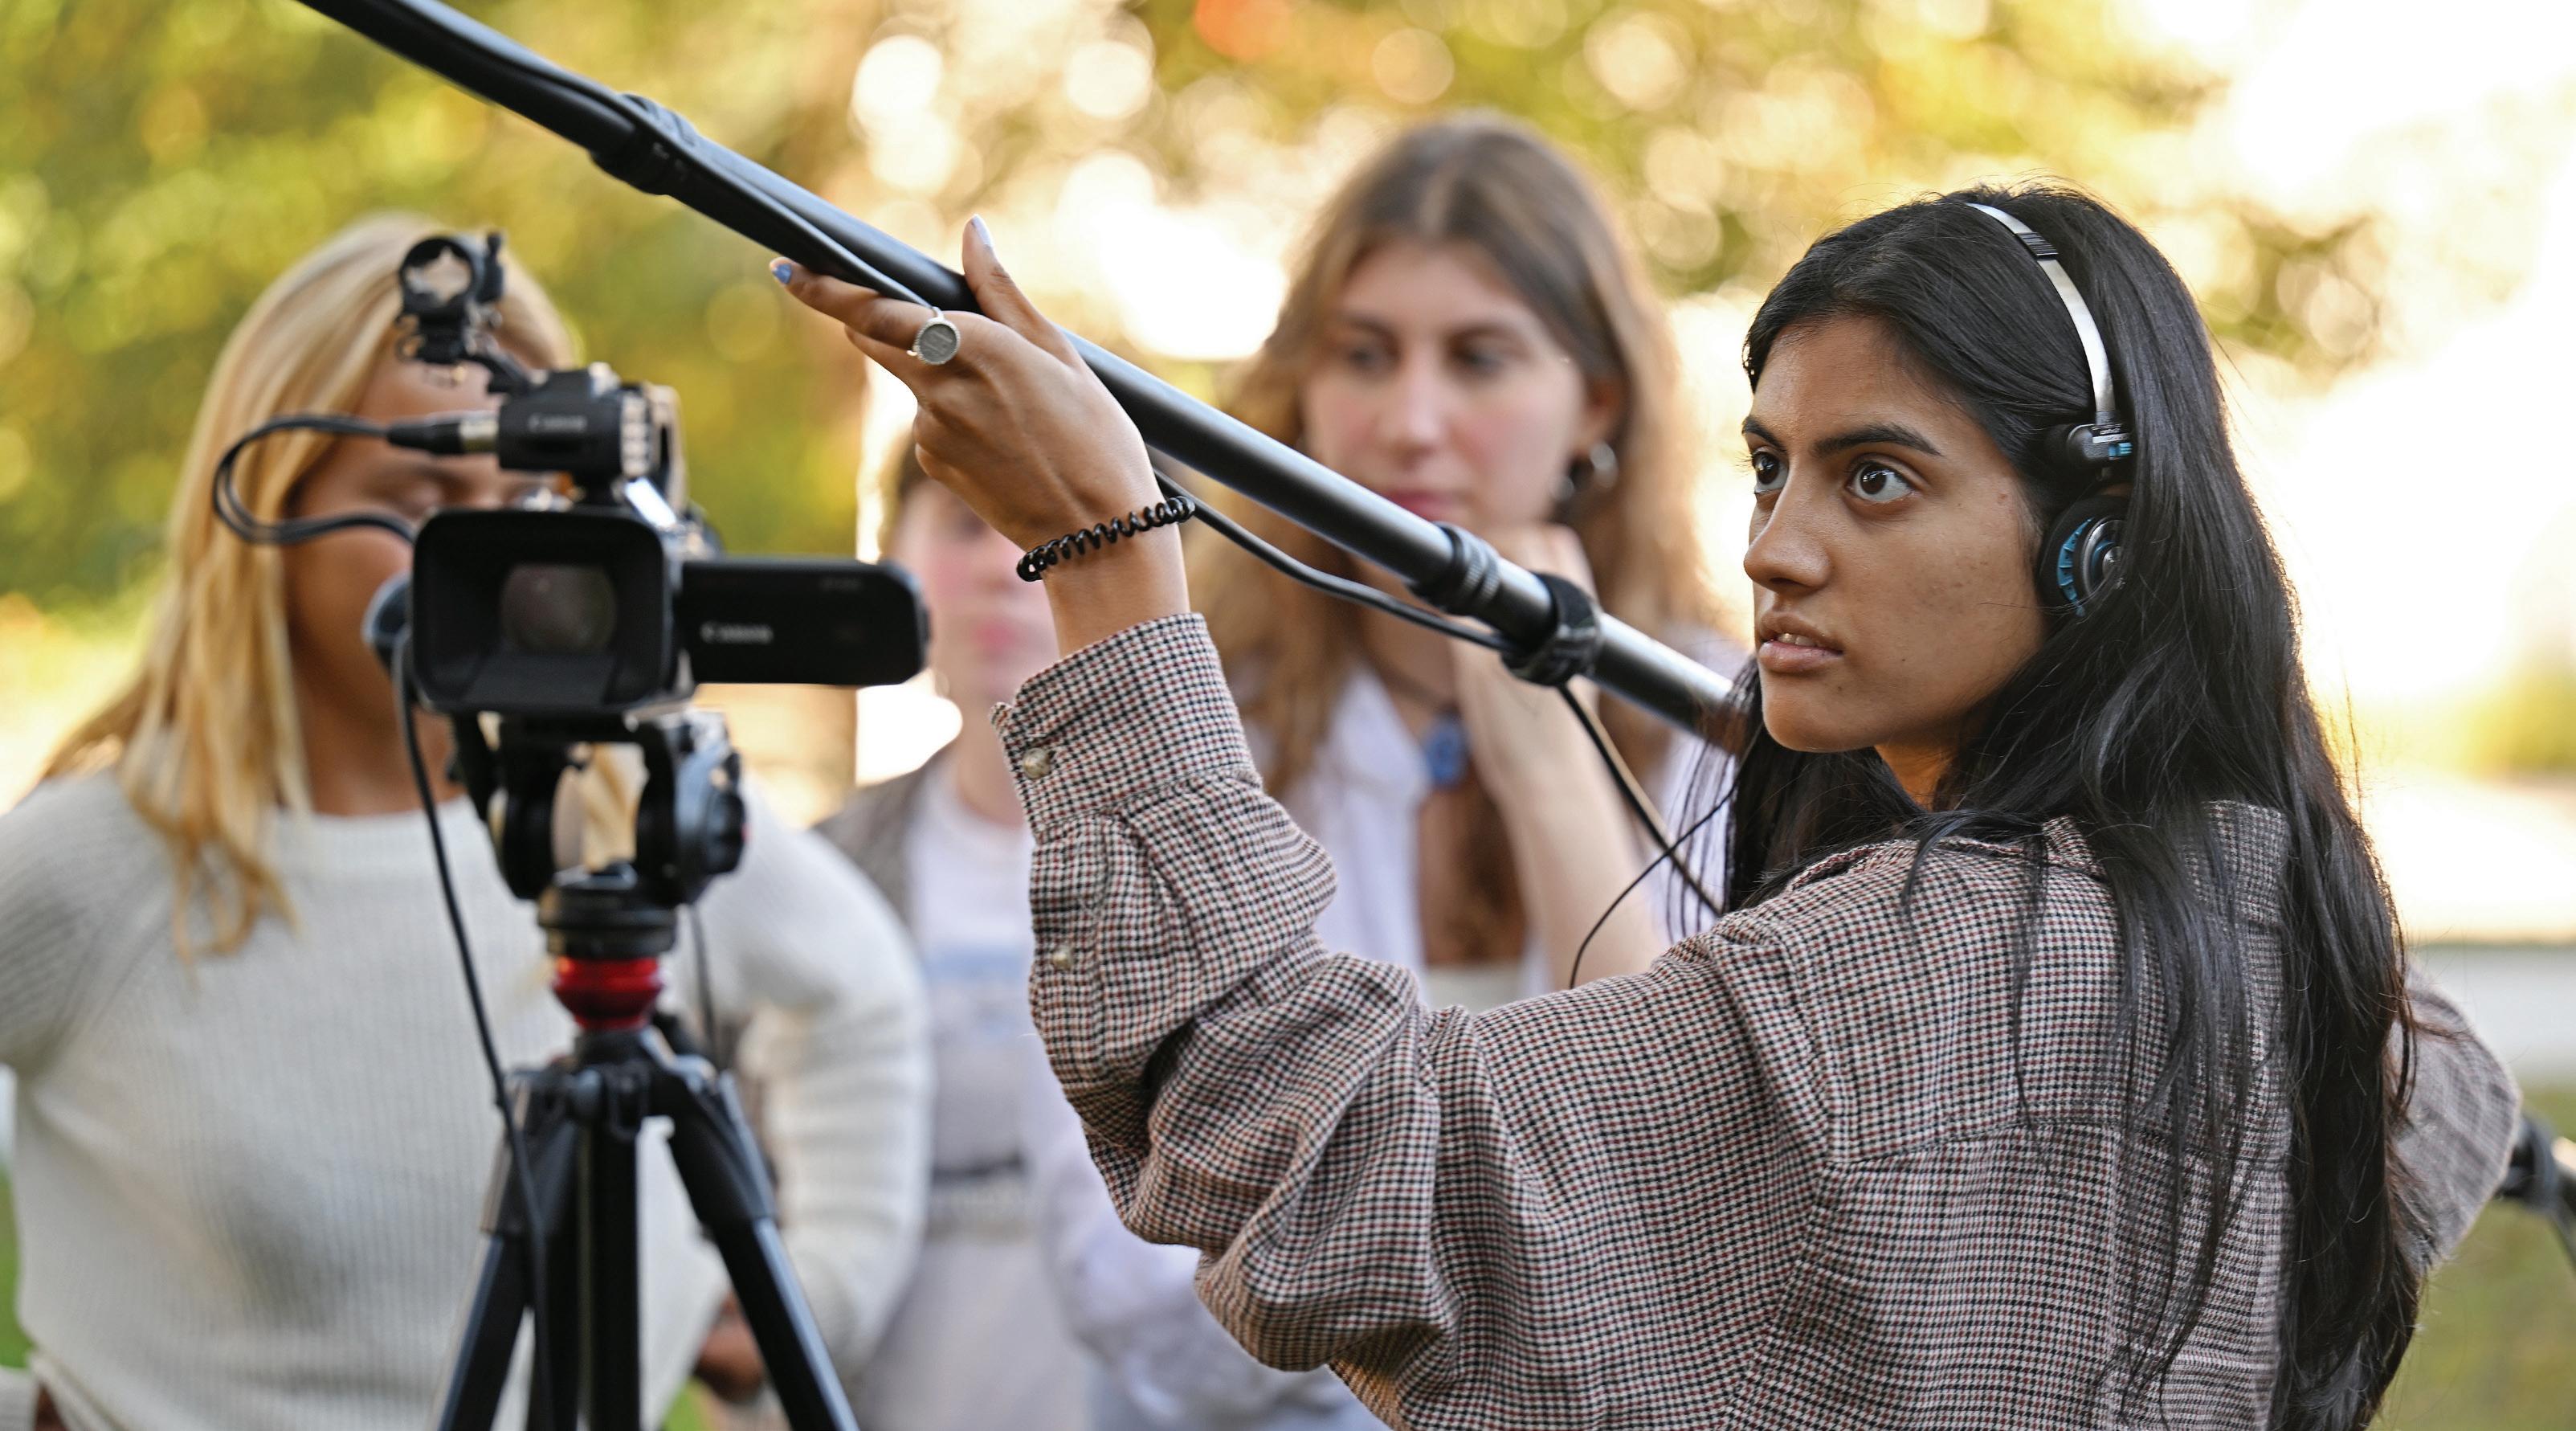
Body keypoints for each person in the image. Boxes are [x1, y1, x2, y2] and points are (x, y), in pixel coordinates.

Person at [776, 178, 2521, 1430]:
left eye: (1877, 478)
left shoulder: (1923, 963)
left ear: (2097, 545)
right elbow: (2444, 1091)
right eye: (1770, 466)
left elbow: (1312, 1161)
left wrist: (1102, 554)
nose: (1779, 548)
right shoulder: (2266, 928)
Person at [820, 117, 1733, 1430]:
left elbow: (1702, 1215)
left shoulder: (1724, 725)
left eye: (1479, 358)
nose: (1411, 423)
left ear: (1597, 401)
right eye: (1363, 355)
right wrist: (1502, 1312)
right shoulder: (1185, 729)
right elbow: (1126, 1282)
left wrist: (1551, 773)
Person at [0, 215, 931, 1431]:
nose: (497, 554)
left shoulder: (630, 810)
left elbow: (860, 997)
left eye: (528, 499)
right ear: (274, 511)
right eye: (421, 498)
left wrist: (809, 1298)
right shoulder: (95, 864)